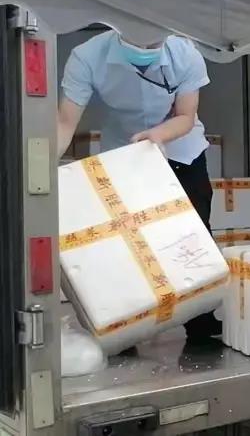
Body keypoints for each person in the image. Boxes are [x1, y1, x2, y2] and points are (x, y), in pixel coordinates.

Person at [57, 29, 219, 340]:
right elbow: (65, 121)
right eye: (137, 39)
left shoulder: (185, 54)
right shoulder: (87, 56)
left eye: (154, 41)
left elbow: (186, 116)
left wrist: (157, 136)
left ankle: (200, 322)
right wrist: (43, 168)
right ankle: (126, 326)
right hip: (123, 154)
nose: (145, 46)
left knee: (192, 233)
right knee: (122, 241)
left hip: (180, 149)